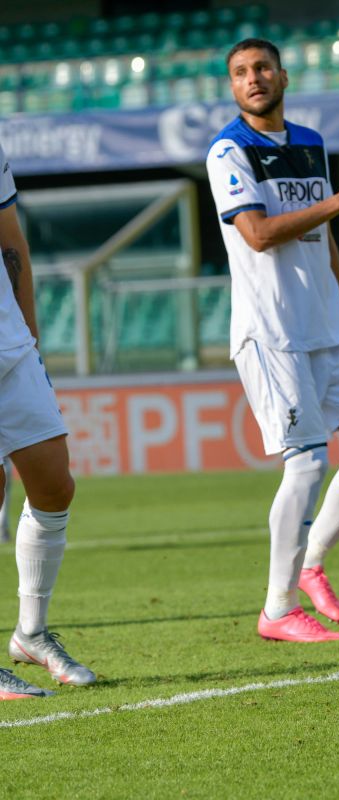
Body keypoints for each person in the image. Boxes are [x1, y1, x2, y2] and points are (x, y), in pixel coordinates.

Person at [205, 39, 339, 643]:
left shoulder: (311, 142)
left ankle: (311, 563)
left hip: (327, 331)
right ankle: (277, 609)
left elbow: (324, 236)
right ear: (232, 87)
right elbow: (258, 234)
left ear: (283, 75)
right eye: (240, 73)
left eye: (262, 68)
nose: (253, 78)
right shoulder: (228, 151)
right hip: (273, 333)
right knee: (309, 461)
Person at [0, 142, 95, 699]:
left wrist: (30, 338)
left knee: (55, 484)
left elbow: (11, 243)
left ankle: (31, 633)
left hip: (10, 345)